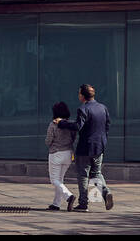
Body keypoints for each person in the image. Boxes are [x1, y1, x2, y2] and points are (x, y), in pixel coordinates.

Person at [52, 83, 114, 211]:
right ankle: (106, 192)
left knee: (83, 175)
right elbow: (107, 125)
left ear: (82, 96)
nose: (78, 95)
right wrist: (103, 141)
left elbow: (77, 126)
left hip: (85, 148)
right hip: (99, 147)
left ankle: (83, 204)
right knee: (96, 173)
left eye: (79, 93)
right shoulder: (103, 108)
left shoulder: (83, 109)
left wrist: (62, 123)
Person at [45, 101, 75, 211]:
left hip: (56, 154)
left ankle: (69, 196)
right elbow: (73, 138)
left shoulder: (53, 124)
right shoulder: (70, 125)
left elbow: (48, 141)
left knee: (54, 180)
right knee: (60, 180)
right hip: (68, 154)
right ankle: (56, 204)